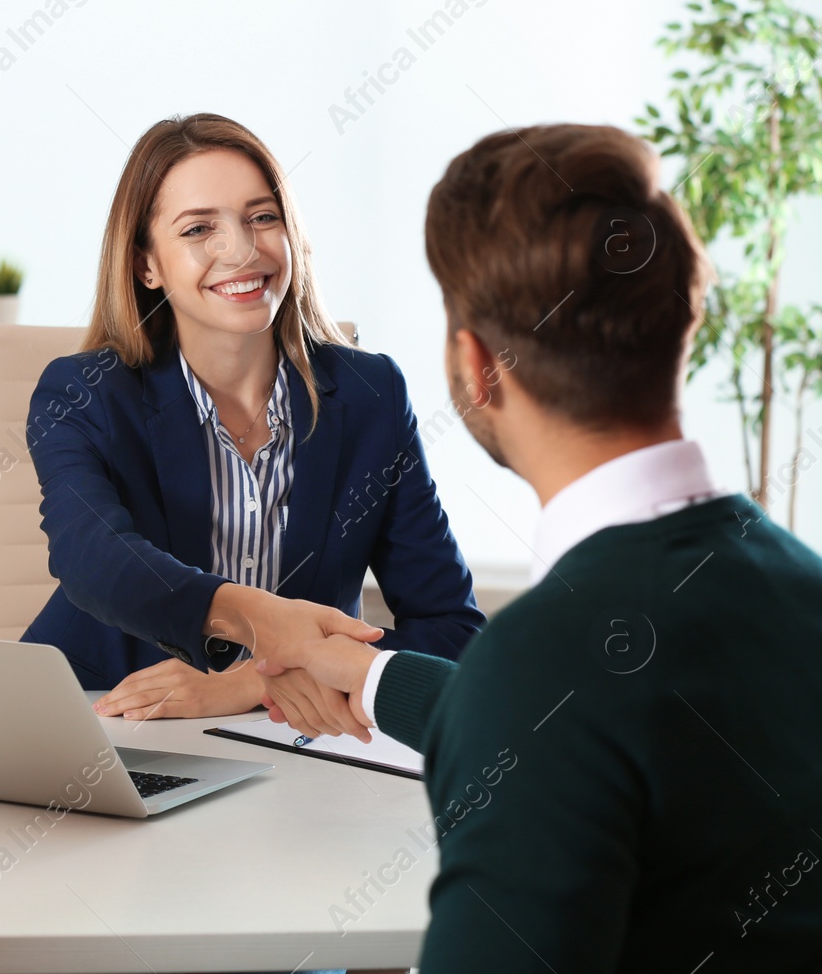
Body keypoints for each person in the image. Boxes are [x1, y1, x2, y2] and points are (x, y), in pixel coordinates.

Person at [259, 123, 822, 971]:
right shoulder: (795, 582)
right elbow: (606, 728)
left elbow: (563, 713)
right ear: (687, 320)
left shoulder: (542, 667)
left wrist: (500, 699)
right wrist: (377, 680)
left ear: (476, 364)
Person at [22, 112, 483, 723]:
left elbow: (451, 629)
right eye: (198, 229)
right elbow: (94, 559)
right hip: (101, 717)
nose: (240, 250)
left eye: (262, 218)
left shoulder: (371, 394)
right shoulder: (83, 392)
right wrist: (265, 621)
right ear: (146, 265)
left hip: (286, 736)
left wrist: (253, 683)